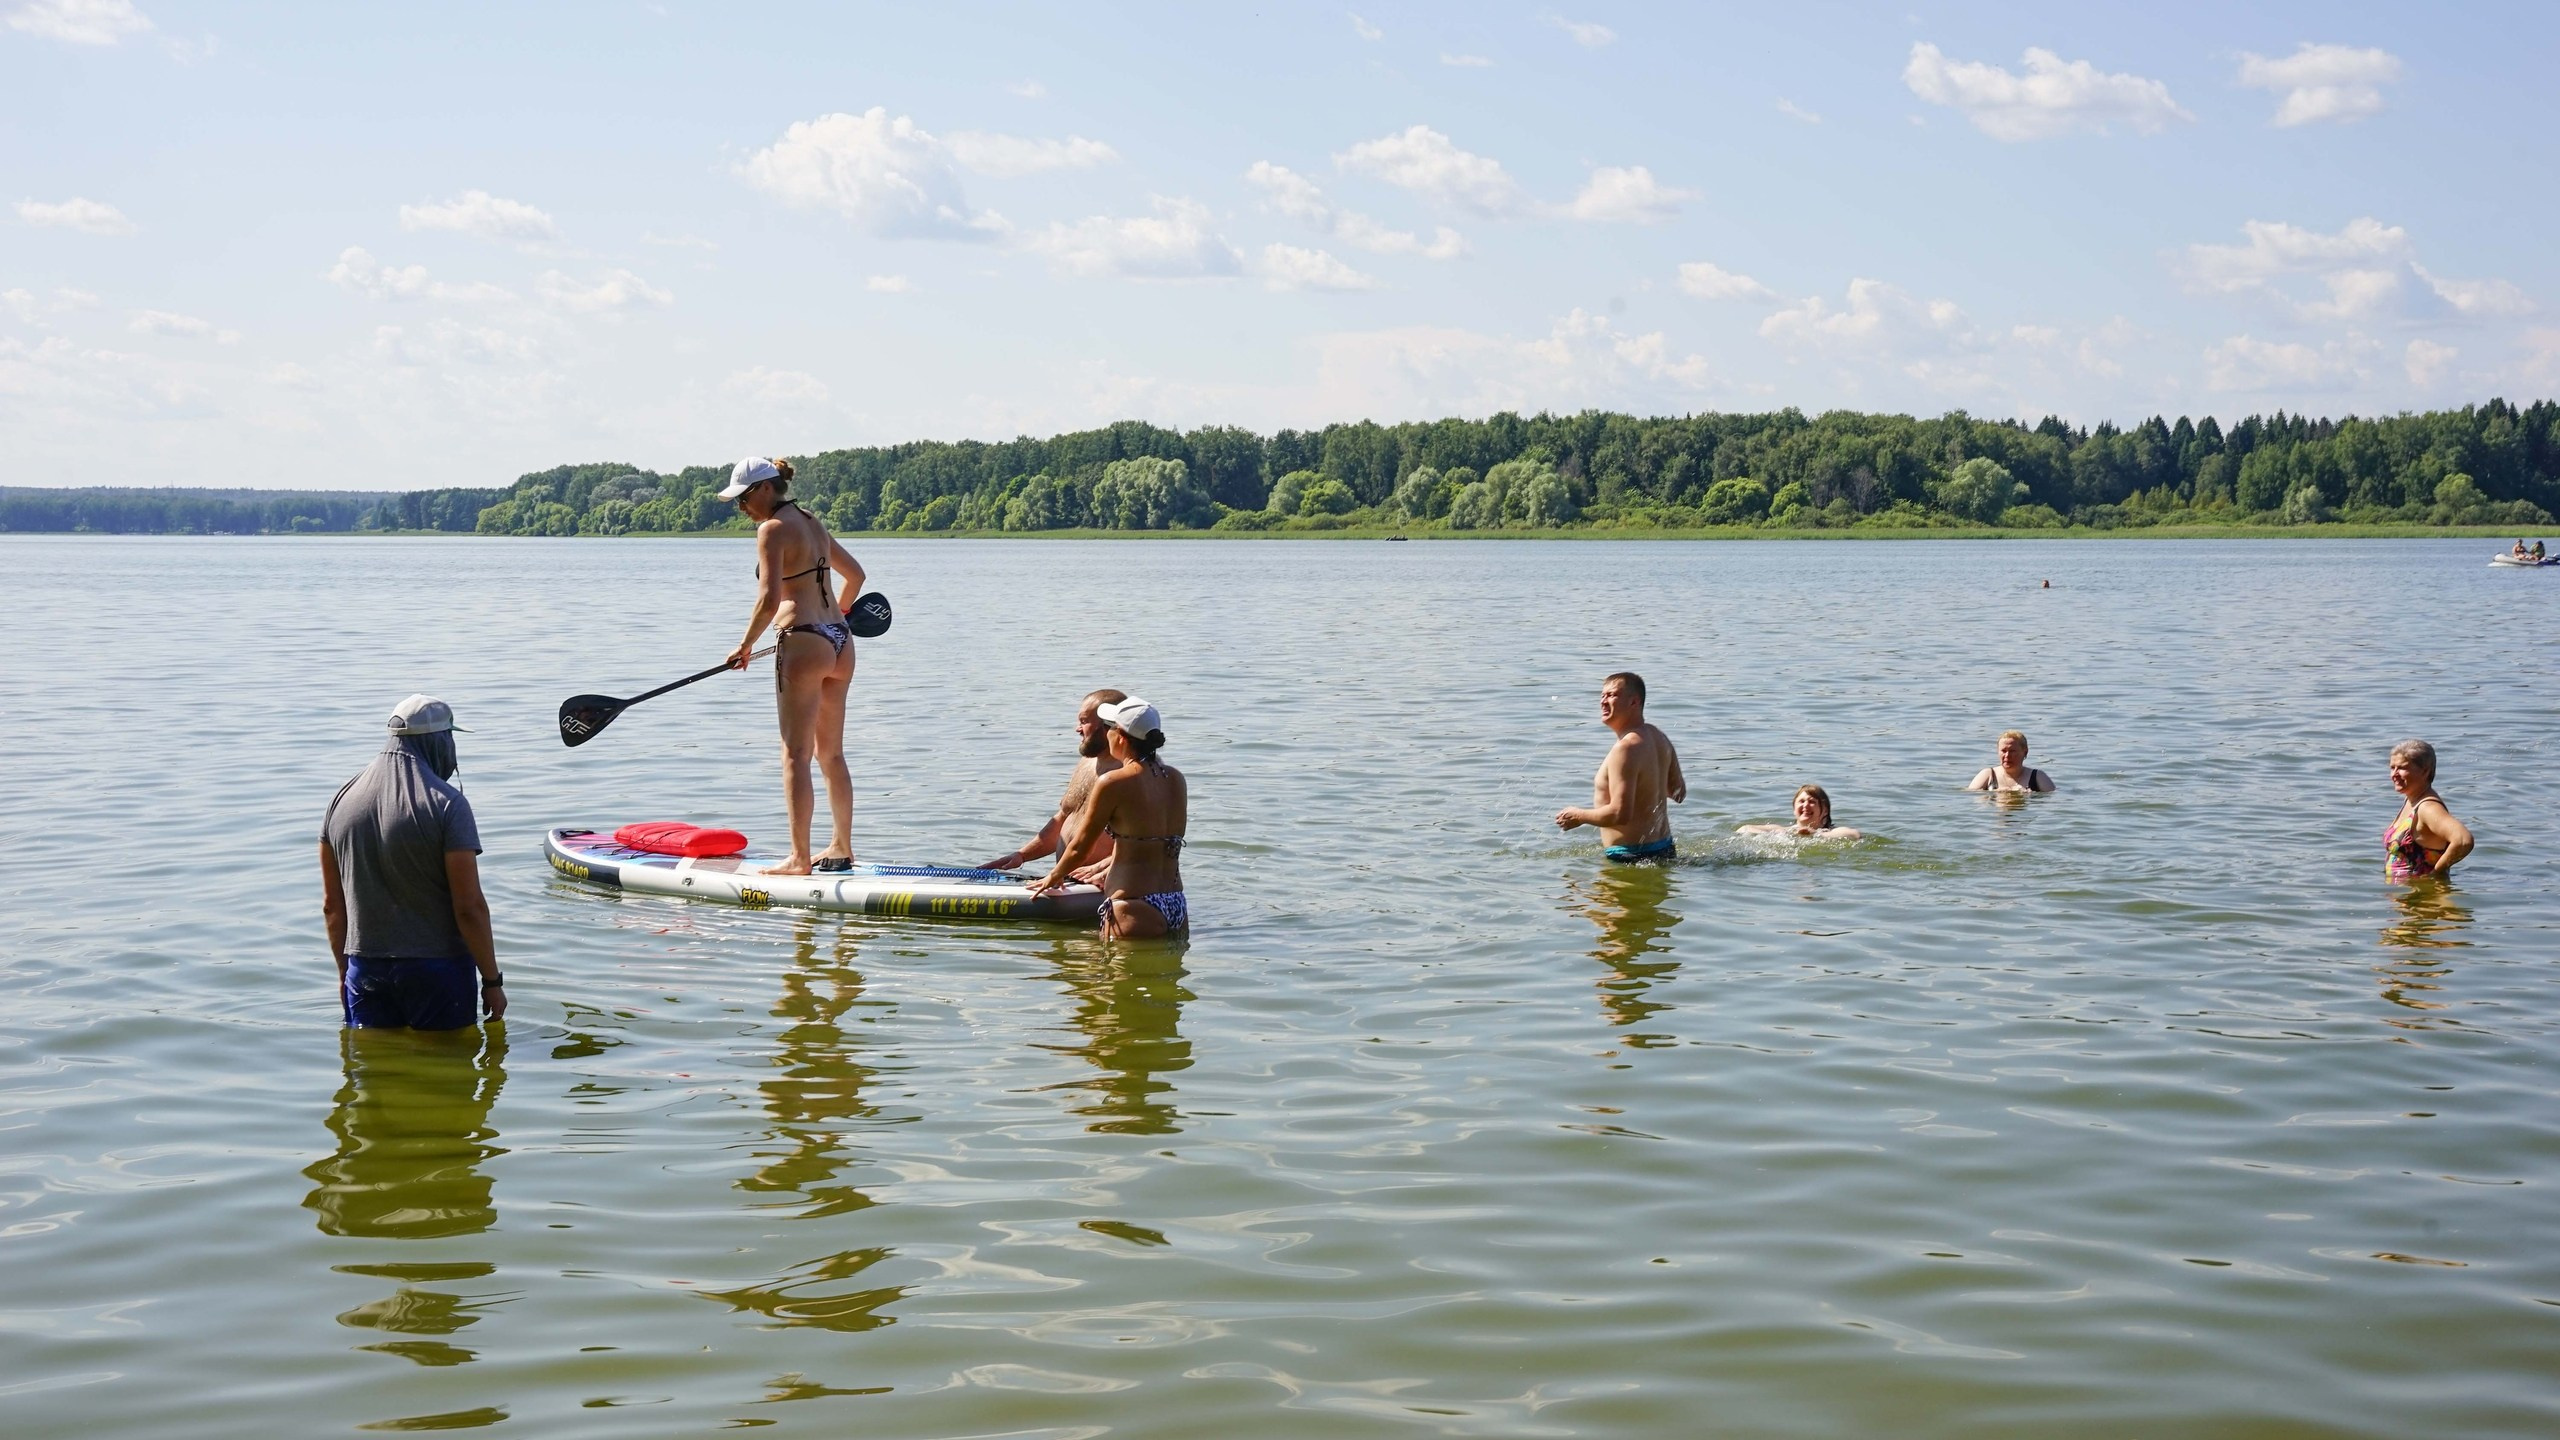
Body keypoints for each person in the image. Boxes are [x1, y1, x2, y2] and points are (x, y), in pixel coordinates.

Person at [722, 457, 868, 876]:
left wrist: (745, 646)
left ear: (765, 489)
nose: (742, 509)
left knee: (795, 755)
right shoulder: (812, 521)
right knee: (831, 754)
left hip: (802, 641)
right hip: (841, 641)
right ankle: (841, 847)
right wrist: (836, 614)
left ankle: (800, 858)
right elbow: (856, 575)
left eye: (744, 499)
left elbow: (769, 600)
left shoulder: (772, 529)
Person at [321, 694, 503, 1029]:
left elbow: (333, 906)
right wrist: (492, 981)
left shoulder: (341, 800)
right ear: (439, 740)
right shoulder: (447, 804)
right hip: (437, 969)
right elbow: (469, 907)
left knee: (373, 1071)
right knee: (450, 1073)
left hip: (364, 966)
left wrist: (344, 973)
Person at [1032, 698, 1189, 937]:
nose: (1106, 734)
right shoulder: (1176, 778)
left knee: (1118, 974)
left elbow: (1080, 848)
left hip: (1133, 906)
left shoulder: (1113, 782)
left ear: (1121, 738)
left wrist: (1054, 876)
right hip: (1176, 903)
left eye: (1110, 728)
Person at [979, 688, 1128, 878]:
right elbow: (1063, 818)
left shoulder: (1132, 773)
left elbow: (1149, 842)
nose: (1077, 729)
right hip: (1068, 881)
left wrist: (1102, 869)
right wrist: (1022, 855)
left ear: (1109, 724)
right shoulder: (1085, 764)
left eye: (1084, 721)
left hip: (1106, 884)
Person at [1556, 671, 1686, 862]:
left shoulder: (1625, 748)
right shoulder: (1659, 737)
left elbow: (1620, 814)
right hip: (1665, 850)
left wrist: (1579, 816)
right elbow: (1678, 792)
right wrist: (1649, 786)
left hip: (1629, 857)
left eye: (1612, 695)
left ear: (1634, 702)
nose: (1603, 701)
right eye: (1602, 696)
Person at [2385, 738, 2474, 881]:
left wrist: (2436, 873)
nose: (2394, 774)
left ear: (2425, 771)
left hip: (2424, 898)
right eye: (2392, 767)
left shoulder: (2428, 808)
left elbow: (2463, 840)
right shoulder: (2411, 800)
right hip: (2409, 897)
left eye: (2402, 768)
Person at [1738, 784, 1862, 841]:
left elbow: (1854, 835)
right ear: (1794, 808)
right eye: (1801, 801)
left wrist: (1816, 835)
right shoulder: (1785, 830)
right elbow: (1744, 829)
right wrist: (1782, 835)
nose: (1806, 805)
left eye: (1812, 802)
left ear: (1824, 810)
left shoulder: (1831, 831)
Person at [1967, 730, 2056, 792]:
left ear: (2025, 752)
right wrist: (1996, 792)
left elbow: (2055, 798)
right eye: (2003, 751)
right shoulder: (1988, 774)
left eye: (2012, 751)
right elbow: (1969, 796)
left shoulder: (2037, 776)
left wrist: (2032, 795)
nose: (2007, 756)